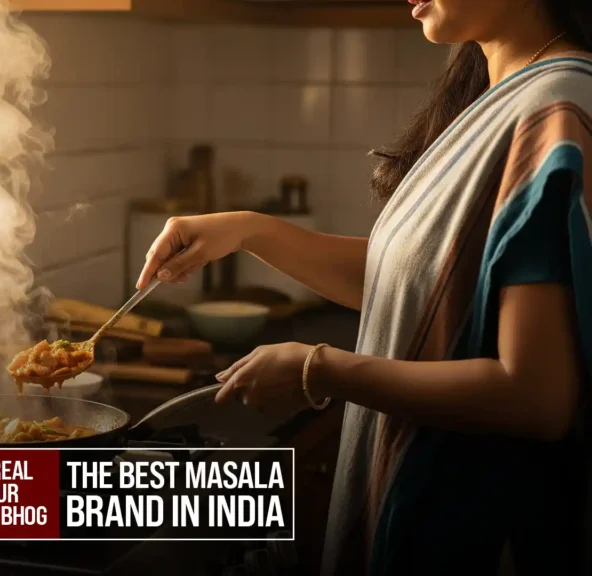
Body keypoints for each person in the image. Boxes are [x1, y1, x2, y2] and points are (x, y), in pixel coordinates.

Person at [137, 1, 592, 574]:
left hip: (474, 535)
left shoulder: (555, 109)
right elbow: (420, 286)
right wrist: (248, 230)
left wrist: (319, 369)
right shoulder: (506, 99)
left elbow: (534, 397)